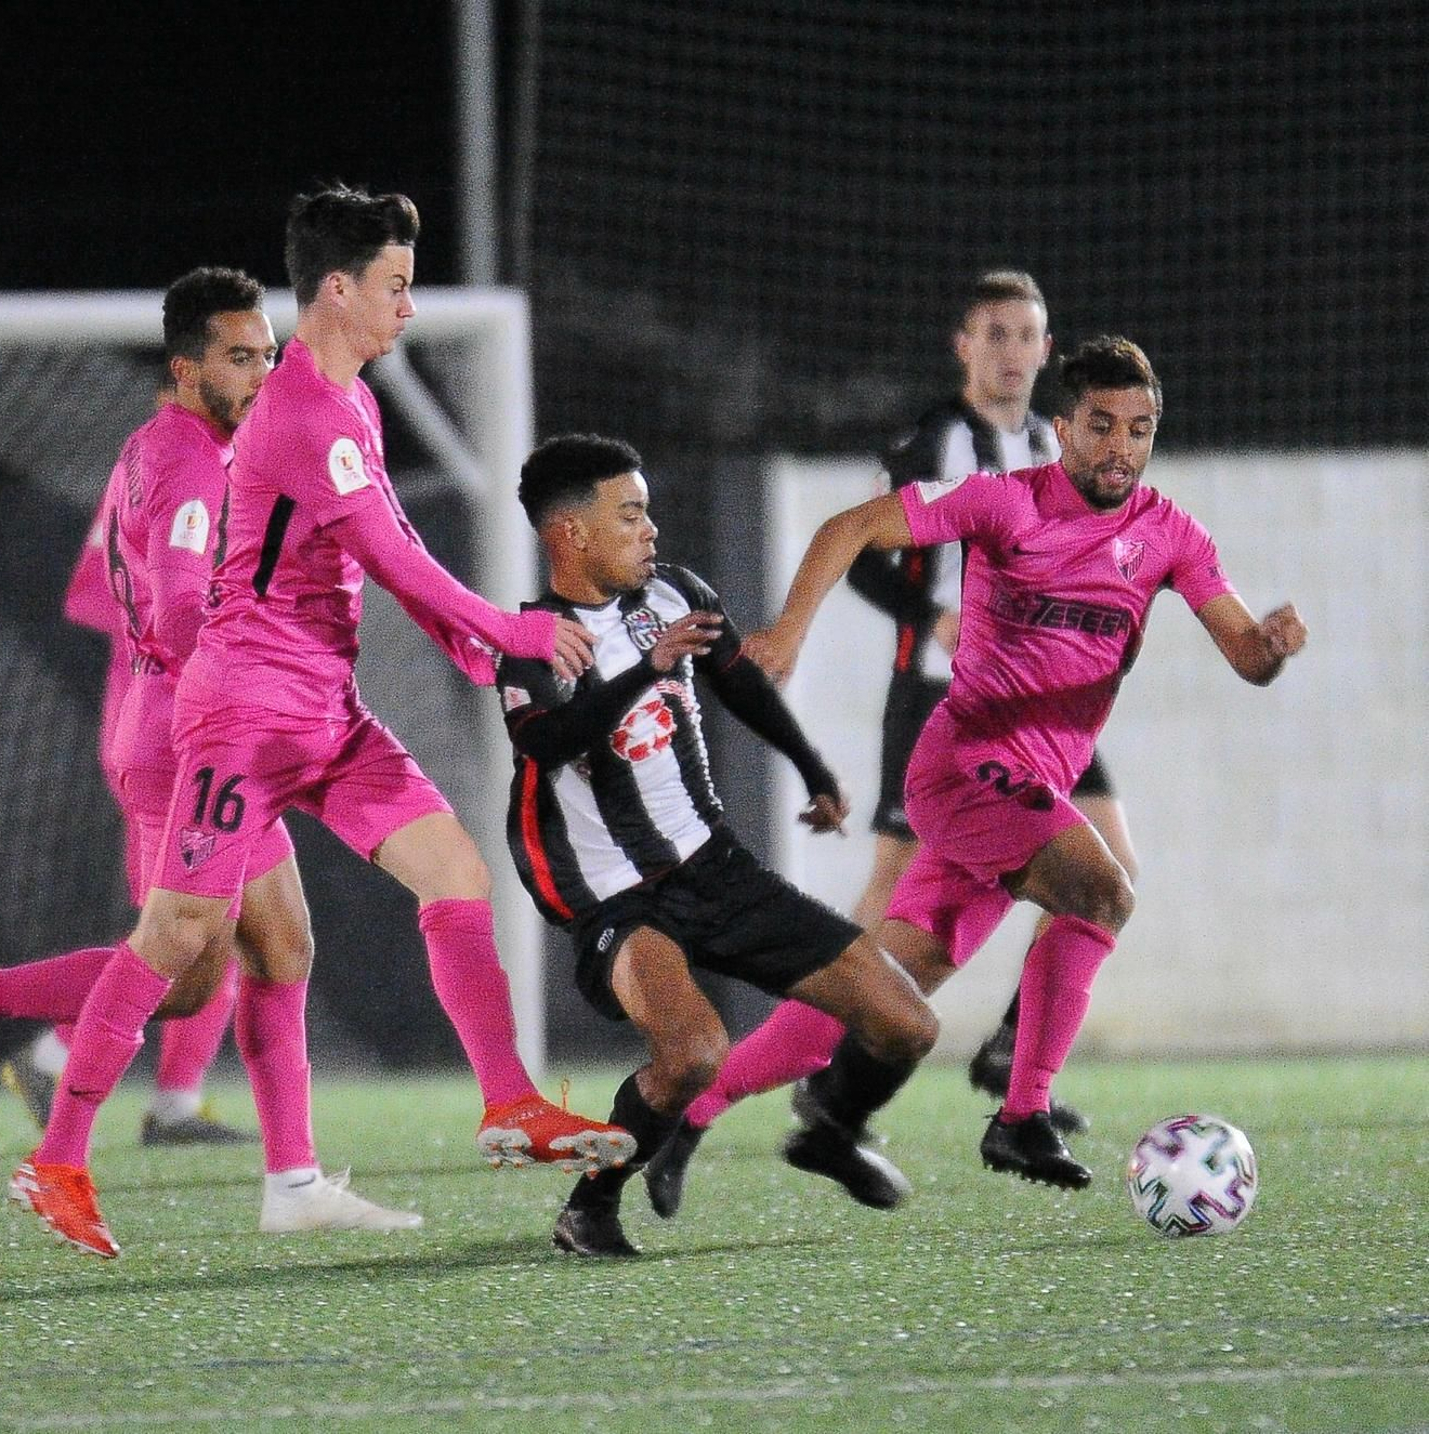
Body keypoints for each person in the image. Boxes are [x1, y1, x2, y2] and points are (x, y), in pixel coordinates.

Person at [0, 186, 632, 1259]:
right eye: (395, 286)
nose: (409, 307)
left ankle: (504, 1105)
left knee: (451, 871)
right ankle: (58, 1161)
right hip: (245, 717)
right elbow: (393, 556)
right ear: (338, 289)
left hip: (325, 708)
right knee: (178, 940)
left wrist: (476, 651)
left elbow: (396, 543)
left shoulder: (352, 403)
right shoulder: (301, 411)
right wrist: (510, 630)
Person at [0, 268, 423, 1238]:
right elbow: (174, 605)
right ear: (185, 368)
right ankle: (43, 1136)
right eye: (239, 357)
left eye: (266, 355)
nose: (261, 374)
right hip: (190, 737)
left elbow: (114, 598)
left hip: (177, 726)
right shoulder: (194, 463)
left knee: (262, 952)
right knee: (178, 954)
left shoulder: (164, 447)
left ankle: (290, 1183)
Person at [743, 336, 1306, 1189]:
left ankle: (722, 1106)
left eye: (1140, 430)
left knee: (897, 971)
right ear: (1063, 429)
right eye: (1102, 426)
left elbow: (1246, 656)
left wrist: (1270, 647)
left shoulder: (1171, 533)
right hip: (965, 754)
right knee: (1099, 889)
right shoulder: (1004, 499)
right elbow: (852, 526)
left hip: (1035, 777)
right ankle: (1017, 1111)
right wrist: (788, 633)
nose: (1121, 448)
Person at [643, 271, 1113, 1215]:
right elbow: (860, 540)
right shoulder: (938, 447)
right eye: (995, 333)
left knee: (902, 965)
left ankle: (788, 1108)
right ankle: (994, 1094)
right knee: (1072, 894)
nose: (1013, 351)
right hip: (951, 723)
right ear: (964, 345)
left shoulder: (1063, 461)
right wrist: (906, 618)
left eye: (1027, 334)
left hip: (1034, 740)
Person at [499, 433, 939, 1257]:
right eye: (629, 515)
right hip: (616, 894)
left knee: (906, 1023)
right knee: (695, 1056)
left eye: (647, 512)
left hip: (716, 866)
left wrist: (812, 768)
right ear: (571, 533)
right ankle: (591, 1206)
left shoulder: (675, 593)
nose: (650, 530)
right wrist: (646, 670)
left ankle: (829, 1125)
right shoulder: (531, 638)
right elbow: (548, 741)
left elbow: (736, 681)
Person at [0, 371, 252, 1146]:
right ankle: (39, 1044)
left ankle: (167, 1101)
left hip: (148, 718)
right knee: (189, 926)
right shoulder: (183, 473)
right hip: (174, 726)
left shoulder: (148, 469)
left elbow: (96, 598)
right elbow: (173, 613)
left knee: (209, 924)